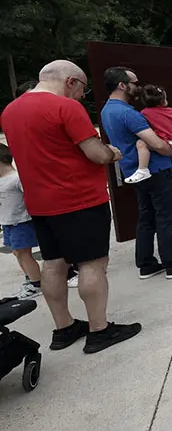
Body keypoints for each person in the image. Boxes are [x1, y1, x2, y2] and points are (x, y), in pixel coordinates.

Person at [1, 60, 140, 354]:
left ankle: (63, 328)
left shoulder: (10, 112)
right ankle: (99, 330)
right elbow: (95, 154)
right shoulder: (66, 108)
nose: (81, 97)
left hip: (40, 204)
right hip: (79, 200)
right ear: (70, 82)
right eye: (83, 90)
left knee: (53, 264)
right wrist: (112, 153)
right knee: (93, 264)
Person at [101, 67, 172, 280]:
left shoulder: (107, 111)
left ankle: (146, 264)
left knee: (146, 218)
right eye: (134, 83)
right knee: (167, 218)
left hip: (136, 172)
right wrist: (171, 149)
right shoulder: (129, 113)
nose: (138, 87)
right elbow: (156, 144)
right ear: (122, 85)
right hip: (157, 171)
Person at [8, 80, 80, 290]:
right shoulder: (19, 121)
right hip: (41, 190)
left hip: (60, 187)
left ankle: (72, 268)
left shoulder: (55, 114)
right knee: (53, 245)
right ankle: (64, 271)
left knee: (66, 236)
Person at [0, 143, 43, 300]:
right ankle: (29, 279)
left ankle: (36, 283)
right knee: (17, 252)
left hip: (21, 222)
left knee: (24, 254)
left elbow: (31, 196)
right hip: (7, 223)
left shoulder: (16, 179)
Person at [125, 85, 172, 184]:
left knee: (140, 143)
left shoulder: (144, 113)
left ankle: (143, 169)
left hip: (167, 143)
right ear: (163, 100)